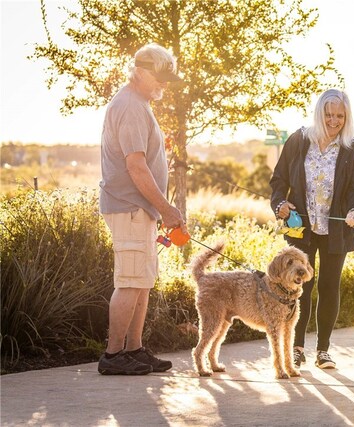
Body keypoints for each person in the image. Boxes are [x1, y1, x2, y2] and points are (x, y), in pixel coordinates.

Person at [97, 43, 187, 375]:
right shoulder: (130, 107)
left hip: (140, 209)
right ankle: (113, 355)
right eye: (159, 77)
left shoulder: (139, 104)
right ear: (139, 71)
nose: (163, 84)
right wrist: (166, 209)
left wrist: (159, 209)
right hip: (130, 207)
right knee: (130, 281)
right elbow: (136, 167)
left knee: (142, 281)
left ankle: (133, 349)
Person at [270, 89, 354, 369]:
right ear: (319, 113)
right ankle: (298, 348)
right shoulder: (299, 140)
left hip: (338, 229)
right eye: (329, 114)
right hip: (301, 228)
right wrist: (280, 204)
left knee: (329, 286)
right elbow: (278, 180)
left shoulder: (353, 147)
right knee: (300, 286)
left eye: (340, 115)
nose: (334, 120)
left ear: (346, 117)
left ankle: (323, 350)